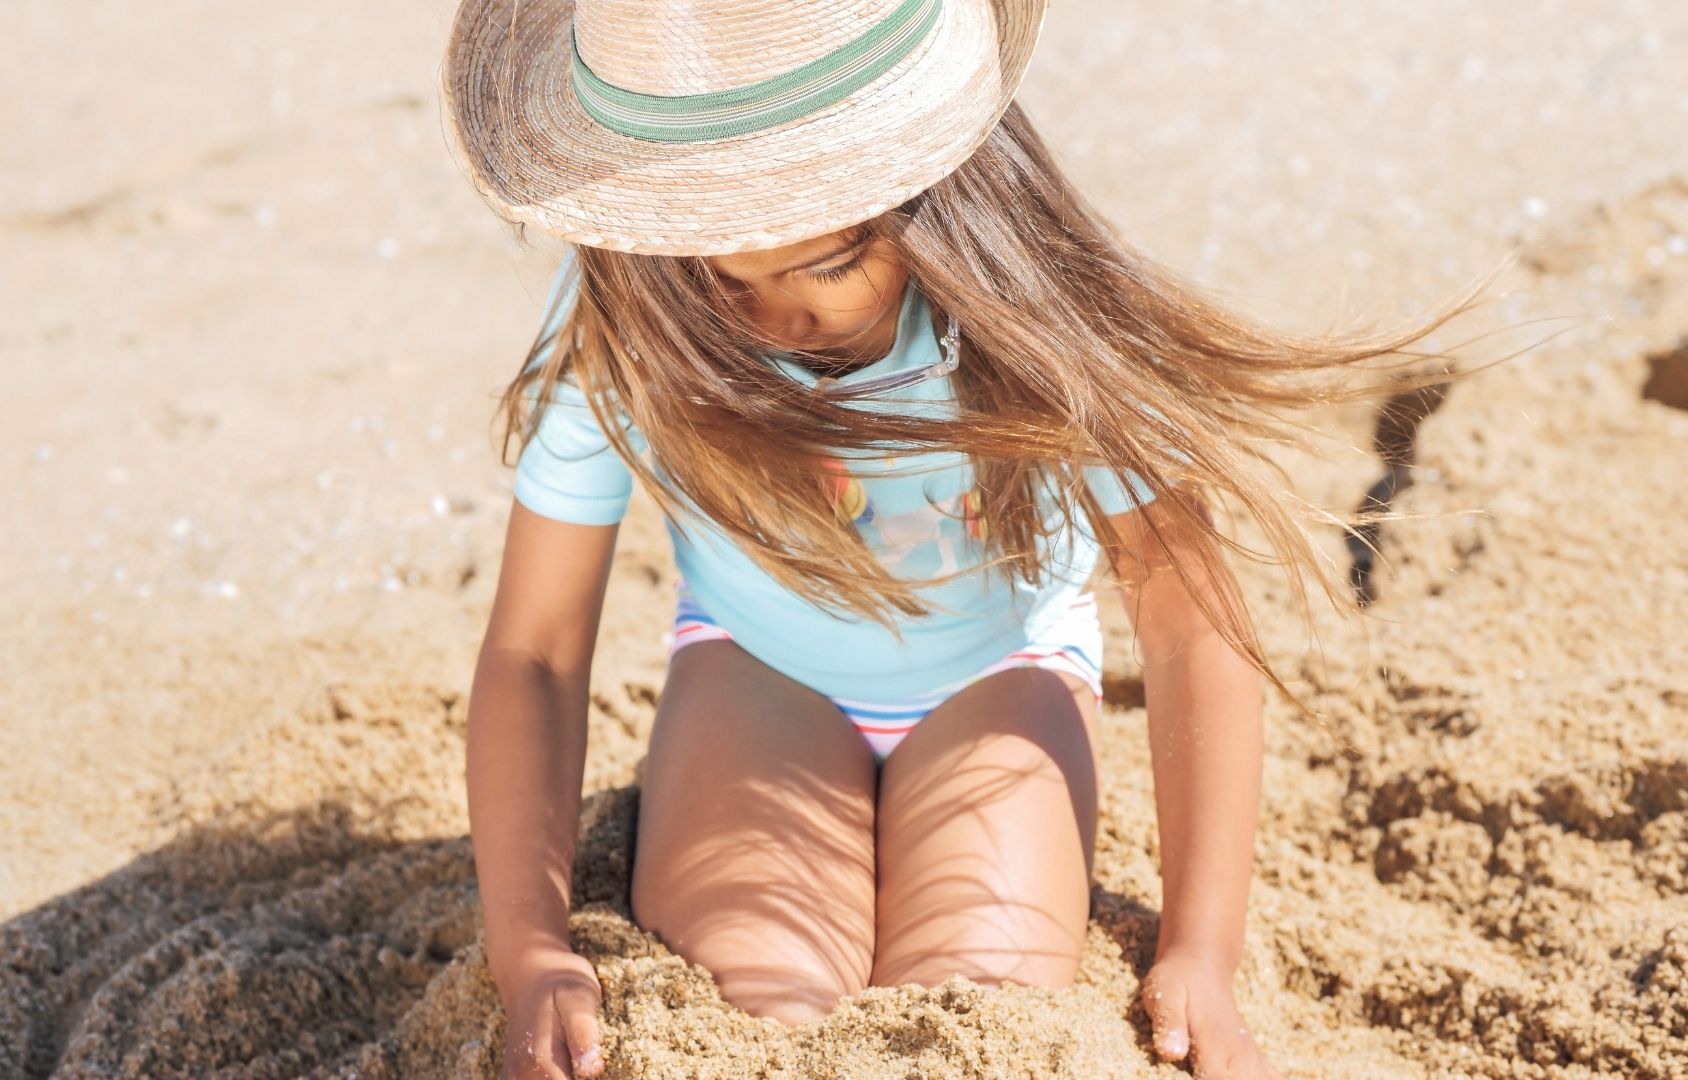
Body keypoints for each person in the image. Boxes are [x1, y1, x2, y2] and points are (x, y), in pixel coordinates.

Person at [440, 1, 1500, 1077]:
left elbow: (1189, 626)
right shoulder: (629, 314)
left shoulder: (1038, 327)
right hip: (752, 670)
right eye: (720, 276)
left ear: (939, 193)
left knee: (975, 1001)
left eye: (822, 263)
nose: (772, 321)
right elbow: (532, 650)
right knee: (758, 1001)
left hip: (999, 679)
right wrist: (532, 953)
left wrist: (1198, 950)